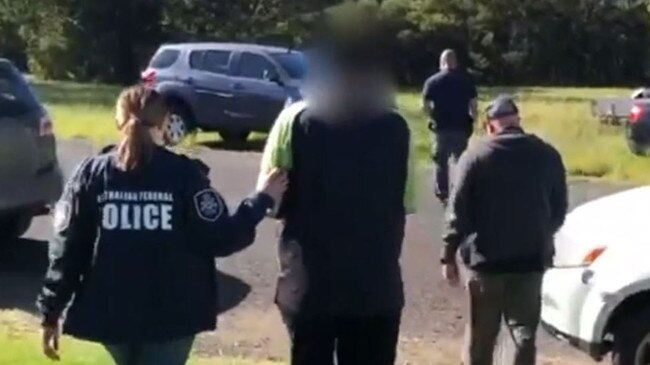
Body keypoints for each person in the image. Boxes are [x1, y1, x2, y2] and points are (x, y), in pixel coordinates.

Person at [36, 85, 287, 365]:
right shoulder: (184, 175)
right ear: (165, 122)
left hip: (112, 314)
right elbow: (222, 236)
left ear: (118, 121)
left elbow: (67, 250)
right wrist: (261, 200)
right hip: (173, 318)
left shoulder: (92, 175)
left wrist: (51, 311)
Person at [256, 20, 416, 365]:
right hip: (376, 287)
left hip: (310, 284)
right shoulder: (399, 127)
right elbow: (406, 204)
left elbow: (271, 202)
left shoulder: (294, 120)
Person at [440, 95, 568, 365]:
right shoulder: (547, 154)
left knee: (482, 336)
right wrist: (542, 234)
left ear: (490, 125)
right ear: (517, 121)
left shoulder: (476, 156)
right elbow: (559, 209)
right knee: (523, 333)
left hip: (486, 262)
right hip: (531, 260)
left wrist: (448, 253)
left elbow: (458, 209)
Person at [422, 49, 478, 205]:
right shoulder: (466, 80)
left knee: (441, 162)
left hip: (441, 128)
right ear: (455, 62)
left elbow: (426, 106)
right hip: (461, 127)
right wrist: (475, 119)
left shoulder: (432, 81)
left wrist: (432, 117)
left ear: (442, 62)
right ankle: (461, 190)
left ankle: (443, 193)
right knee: (461, 160)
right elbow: (473, 105)